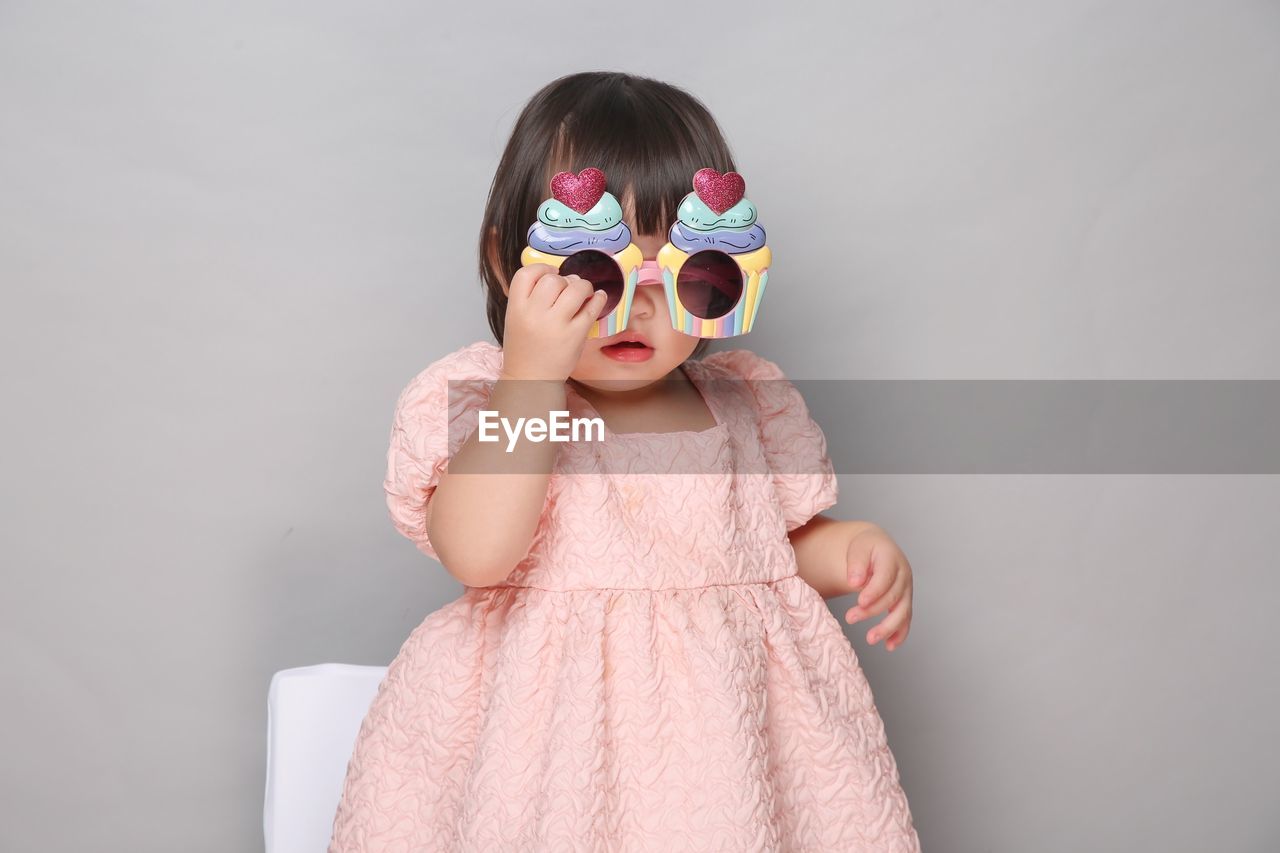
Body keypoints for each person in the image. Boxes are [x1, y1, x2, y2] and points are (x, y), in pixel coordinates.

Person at [329, 70, 922, 852]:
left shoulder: (742, 402)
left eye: (683, 274)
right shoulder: (491, 401)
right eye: (590, 274)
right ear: (509, 269)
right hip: (548, 750)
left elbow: (761, 551)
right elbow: (477, 552)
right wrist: (531, 376)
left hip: (725, 744)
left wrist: (851, 550)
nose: (633, 306)